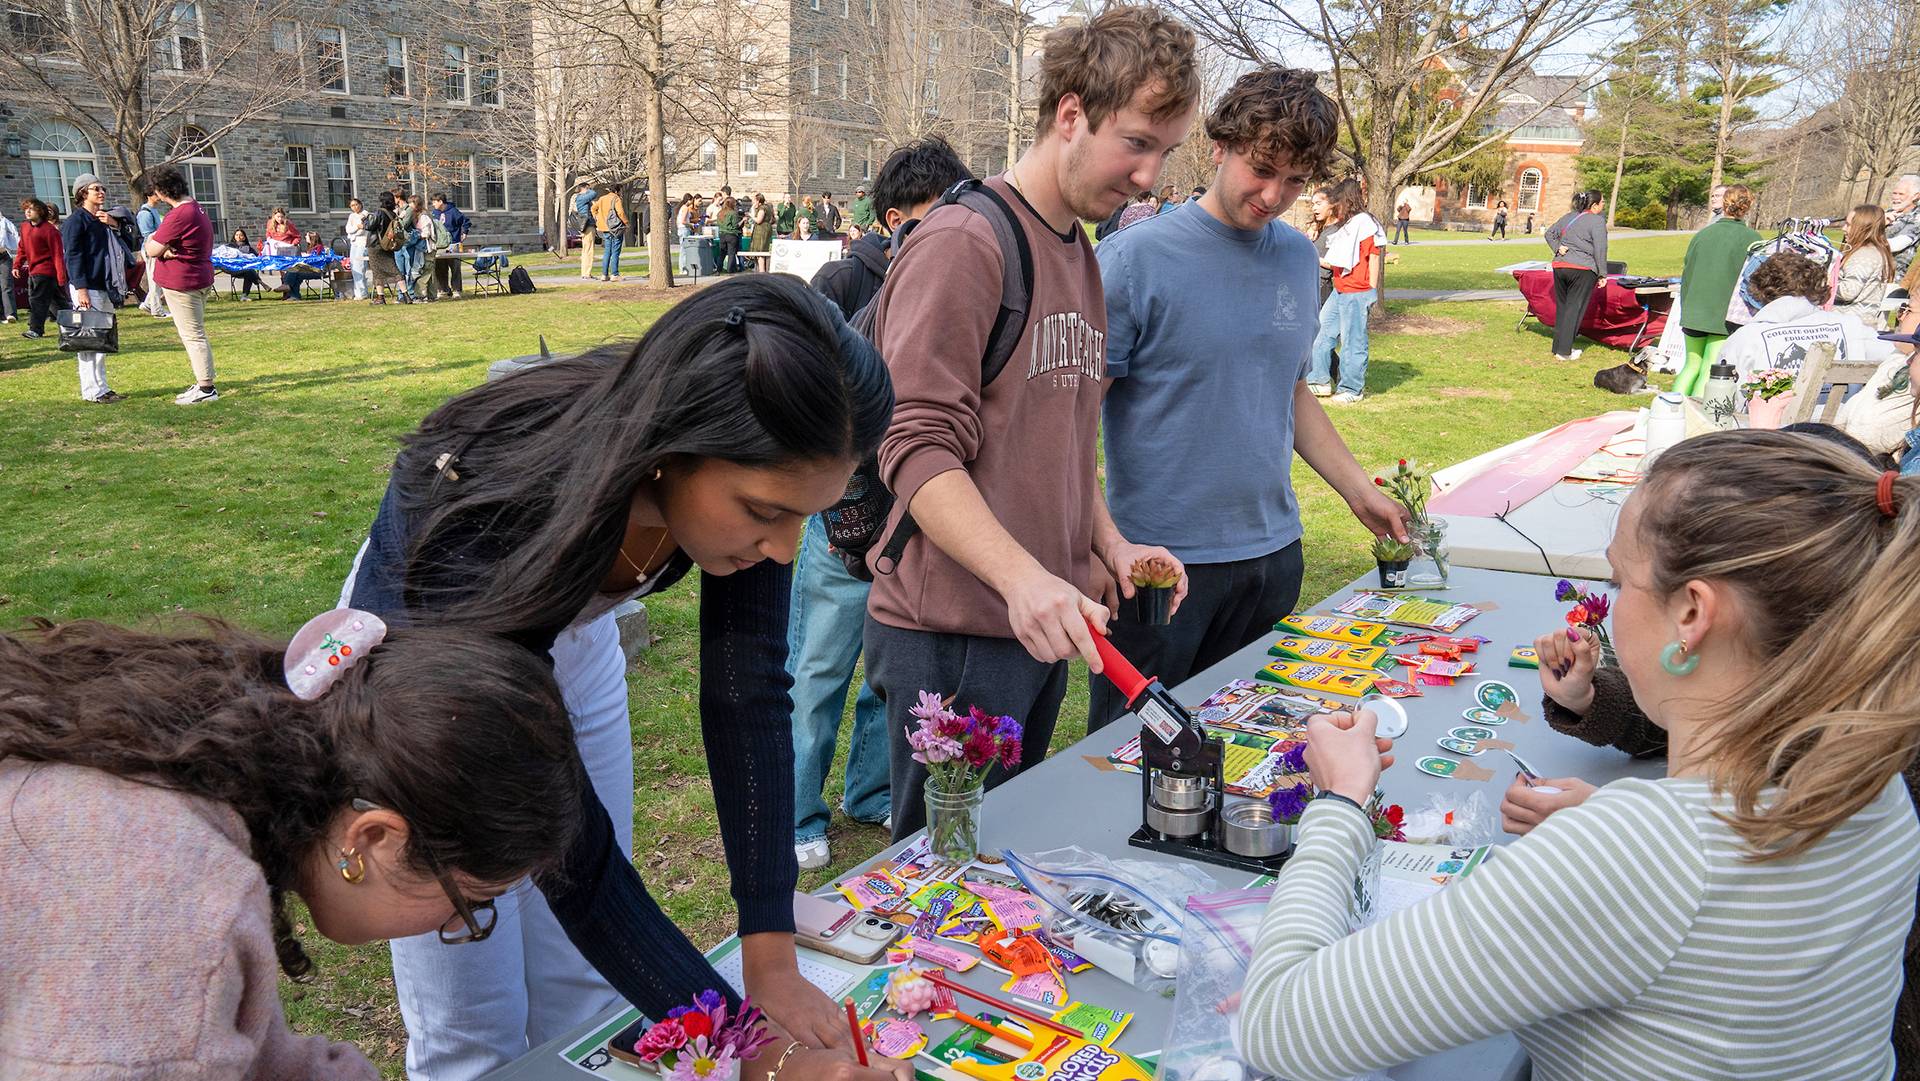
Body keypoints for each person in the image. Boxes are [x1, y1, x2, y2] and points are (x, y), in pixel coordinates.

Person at [342, 276, 908, 1081]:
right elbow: (581, 861)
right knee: (472, 1006)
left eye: (804, 517)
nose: (784, 551)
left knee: (583, 992)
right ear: (670, 450)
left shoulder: (736, 467)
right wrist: (753, 1055)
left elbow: (747, 694)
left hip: (567, 628)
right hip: (437, 652)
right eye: (763, 512)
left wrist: (771, 958)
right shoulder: (487, 521)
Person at [1239, 428, 1920, 1081]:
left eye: (1621, 581)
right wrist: (1613, 822)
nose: (1611, 609)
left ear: (1693, 614)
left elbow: (1280, 1026)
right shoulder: (1875, 784)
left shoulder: (1638, 853)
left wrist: (1340, 802)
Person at [862, 4, 1201, 839]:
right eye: (1137, 143)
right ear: (1071, 113)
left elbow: (1059, 445)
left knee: (1005, 868)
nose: (1151, 177)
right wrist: (1022, 579)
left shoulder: (1083, 253)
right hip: (955, 634)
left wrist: (1108, 545)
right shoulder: (964, 242)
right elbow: (912, 448)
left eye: (1165, 152)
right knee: (940, 885)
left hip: (1043, 624)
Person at [0, 614, 587, 1081]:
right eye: (469, 906)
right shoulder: (166, 908)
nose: (449, 927)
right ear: (373, 837)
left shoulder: (201, 805)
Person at [1087, 66, 1410, 732]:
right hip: (1160, 571)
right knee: (1130, 760)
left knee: (1249, 748)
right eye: (1261, 169)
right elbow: (1066, 424)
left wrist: (1359, 491)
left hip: (1271, 558)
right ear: (1220, 147)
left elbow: (1288, 391)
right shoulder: (1131, 259)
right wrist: (1102, 542)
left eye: (1295, 181)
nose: (1274, 194)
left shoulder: (1296, 256)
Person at [790, 135, 973, 869]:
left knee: (884, 679)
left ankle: (869, 790)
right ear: (896, 222)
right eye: (937, 220)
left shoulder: (961, 282)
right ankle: (800, 813)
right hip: (843, 526)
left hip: (910, 533)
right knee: (818, 673)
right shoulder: (840, 282)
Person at [1718, 251, 1899, 389]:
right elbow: (1898, 356)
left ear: (1761, 292)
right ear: (1813, 286)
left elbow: (1725, 399)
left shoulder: (1746, 338)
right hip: (1836, 431)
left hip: (1770, 435)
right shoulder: (1851, 327)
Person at [141, 164, 219, 405]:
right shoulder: (196, 208)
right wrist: (165, 248)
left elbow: (151, 248)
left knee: (193, 335)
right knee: (195, 333)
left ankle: (206, 388)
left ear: (163, 191)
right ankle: (203, 383)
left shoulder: (179, 214)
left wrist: (158, 244)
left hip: (184, 283)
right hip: (197, 278)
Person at [1673, 184, 1762, 393]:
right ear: (1747, 207)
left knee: (1690, 366)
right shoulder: (1753, 239)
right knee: (1709, 368)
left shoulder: (1703, 234)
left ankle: (1670, 410)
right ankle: (1695, 420)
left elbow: (1688, 269)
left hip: (1694, 308)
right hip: (1722, 313)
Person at [1306, 178, 1385, 402]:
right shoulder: (1348, 225)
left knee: (1353, 342)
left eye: (1337, 202)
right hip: (1339, 289)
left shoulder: (1366, 223)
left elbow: (1374, 257)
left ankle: (1351, 389)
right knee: (1321, 335)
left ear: (1346, 201)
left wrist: (1370, 290)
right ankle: (1319, 380)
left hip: (1357, 291)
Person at [60, 173, 124, 403]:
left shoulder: (101, 220)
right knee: (88, 340)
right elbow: (73, 256)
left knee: (101, 338)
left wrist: (114, 224)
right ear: (82, 193)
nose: (101, 192)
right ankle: (92, 391)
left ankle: (103, 388)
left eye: (102, 188)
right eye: (95, 188)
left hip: (103, 286)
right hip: (86, 287)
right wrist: (81, 288)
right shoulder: (76, 221)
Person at [1543, 190, 1609, 362]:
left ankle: (1558, 347)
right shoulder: (1597, 221)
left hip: (1560, 266)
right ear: (1594, 205)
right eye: (1602, 202)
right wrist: (1602, 273)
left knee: (1563, 308)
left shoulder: (1569, 217)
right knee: (1575, 309)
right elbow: (1600, 248)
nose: (1604, 205)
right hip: (1582, 269)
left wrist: (1558, 247)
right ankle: (1565, 351)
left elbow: (1549, 233)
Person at [1835, 203, 1895, 328]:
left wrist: (1817, 284)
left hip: (1851, 326)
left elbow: (1848, 291)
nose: (1843, 229)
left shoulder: (1864, 256)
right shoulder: (1871, 251)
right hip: (1858, 324)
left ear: (1863, 228)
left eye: (1849, 225)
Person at [14, 199, 64, 338]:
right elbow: (22, 248)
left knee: (37, 300)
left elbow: (57, 255)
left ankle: (35, 330)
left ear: (40, 211)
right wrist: (17, 265)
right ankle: (73, 323)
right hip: (33, 270)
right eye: (26, 209)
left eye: (31, 209)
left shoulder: (50, 231)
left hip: (46, 271)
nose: (27, 212)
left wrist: (61, 277)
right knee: (57, 302)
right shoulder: (24, 227)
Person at [134, 178, 170, 319]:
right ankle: (157, 310)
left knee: (158, 279)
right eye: (156, 194)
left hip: (157, 248)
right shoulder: (144, 213)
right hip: (150, 249)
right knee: (155, 280)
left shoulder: (154, 210)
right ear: (150, 195)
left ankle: (148, 304)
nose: (159, 196)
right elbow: (147, 235)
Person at [430, 192, 471, 301]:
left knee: (455, 267)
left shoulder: (454, 212)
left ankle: (456, 290)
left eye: (434, 202)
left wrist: (464, 232)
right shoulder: (434, 213)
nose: (433, 204)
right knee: (440, 268)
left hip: (453, 243)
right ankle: (443, 289)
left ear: (440, 201)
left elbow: (466, 221)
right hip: (440, 245)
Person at [366, 193, 405, 305]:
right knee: (394, 269)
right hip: (387, 245)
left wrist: (364, 222)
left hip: (375, 245)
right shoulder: (392, 214)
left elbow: (370, 226)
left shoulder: (379, 212)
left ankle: (380, 297)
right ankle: (406, 294)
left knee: (377, 272)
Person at [1886, 174, 1920, 280]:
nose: (1896, 197)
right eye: (1894, 193)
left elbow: (1895, 245)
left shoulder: (1917, 217)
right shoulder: (1887, 213)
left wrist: (1867, 236)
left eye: (1901, 194)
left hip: (1892, 278)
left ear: (1916, 196)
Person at [280, 231, 332, 299]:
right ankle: (293, 295)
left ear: (312, 238)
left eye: (307, 236)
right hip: (310, 270)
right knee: (294, 272)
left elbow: (317, 259)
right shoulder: (310, 247)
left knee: (295, 271)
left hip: (317, 271)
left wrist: (307, 257)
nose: (305, 237)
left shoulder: (319, 247)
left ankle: (288, 286)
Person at [592, 184, 627, 282]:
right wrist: (626, 223)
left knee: (607, 251)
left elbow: (593, 208)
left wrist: (597, 217)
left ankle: (604, 274)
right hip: (615, 228)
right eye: (620, 191)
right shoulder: (616, 199)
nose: (621, 193)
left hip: (604, 227)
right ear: (617, 191)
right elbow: (620, 213)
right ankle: (614, 274)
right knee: (615, 251)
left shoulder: (602, 198)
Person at [345, 197, 371, 300]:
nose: (355, 207)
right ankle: (358, 292)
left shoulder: (365, 214)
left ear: (360, 204)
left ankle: (362, 293)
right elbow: (348, 229)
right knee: (353, 267)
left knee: (359, 266)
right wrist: (356, 227)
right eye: (352, 206)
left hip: (362, 242)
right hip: (354, 242)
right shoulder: (351, 216)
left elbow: (362, 230)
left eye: (356, 204)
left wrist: (355, 230)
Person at [575, 182, 599, 278]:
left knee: (586, 249)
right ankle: (586, 273)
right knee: (589, 250)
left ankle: (585, 272)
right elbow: (594, 194)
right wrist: (588, 189)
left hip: (586, 226)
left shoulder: (580, 198)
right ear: (583, 188)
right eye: (587, 188)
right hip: (588, 225)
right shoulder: (581, 197)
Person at [717, 196, 743, 273]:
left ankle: (719, 269)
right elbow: (735, 226)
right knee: (731, 253)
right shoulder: (733, 213)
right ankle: (730, 270)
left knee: (722, 254)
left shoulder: (720, 213)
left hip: (722, 234)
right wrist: (743, 220)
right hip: (731, 235)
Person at [748, 193, 775, 264]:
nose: (752, 202)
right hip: (764, 229)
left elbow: (758, 220)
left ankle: (762, 272)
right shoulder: (766, 207)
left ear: (758, 200)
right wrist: (753, 208)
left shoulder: (763, 208)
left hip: (762, 231)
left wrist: (751, 216)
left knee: (760, 252)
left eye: (754, 200)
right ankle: (759, 270)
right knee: (759, 252)